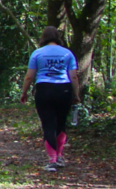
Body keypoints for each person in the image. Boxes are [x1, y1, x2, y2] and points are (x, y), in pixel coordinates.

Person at [20, 27, 79, 171]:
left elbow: (29, 76)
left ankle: (52, 160)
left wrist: (24, 92)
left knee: (48, 124)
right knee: (61, 124)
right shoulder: (67, 53)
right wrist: (76, 95)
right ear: (58, 37)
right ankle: (59, 156)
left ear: (43, 37)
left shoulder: (37, 53)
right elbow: (73, 76)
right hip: (64, 90)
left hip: (44, 90)